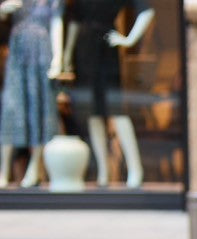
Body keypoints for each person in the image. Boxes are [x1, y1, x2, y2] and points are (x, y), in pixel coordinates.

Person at [67, 0, 154, 187]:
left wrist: (129, 40)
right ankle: (103, 171)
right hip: (83, 52)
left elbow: (146, 11)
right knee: (92, 113)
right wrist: (66, 57)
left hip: (106, 48)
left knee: (116, 109)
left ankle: (135, 168)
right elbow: (75, 21)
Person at [0, 0, 63, 188]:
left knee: (40, 107)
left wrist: (58, 58)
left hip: (41, 51)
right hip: (18, 51)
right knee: (11, 108)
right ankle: (4, 170)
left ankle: (34, 167)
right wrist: (2, 10)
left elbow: (57, 22)